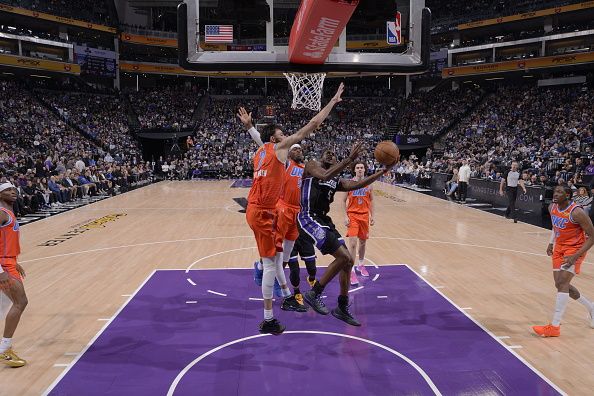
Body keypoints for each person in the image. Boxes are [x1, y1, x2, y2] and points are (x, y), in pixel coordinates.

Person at [237, 83, 344, 335]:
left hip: (262, 210)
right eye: (283, 135)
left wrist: (250, 127)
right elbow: (312, 125)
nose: (287, 137)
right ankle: (268, 318)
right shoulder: (280, 149)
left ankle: (285, 296)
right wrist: (331, 102)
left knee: (276, 260)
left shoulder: (261, 152)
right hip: (264, 212)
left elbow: (259, 140)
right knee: (271, 264)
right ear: (275, 140)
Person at [300, 145, 395, 326]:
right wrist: (349, 160)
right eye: (327, 151)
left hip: (324, 220)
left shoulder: (336, 181)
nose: (330, 153)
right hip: (308, 217)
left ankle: (342, 307)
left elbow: (359, 184)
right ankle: (314, 293)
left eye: (334, 154)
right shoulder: (312, 166)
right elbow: (324, 175)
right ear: (321, 157)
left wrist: (384, 170)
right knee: (344, 256)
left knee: (349, 262)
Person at [533, 185, 594, 337]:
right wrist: (551, 242)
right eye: (555, 191)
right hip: (560, 247)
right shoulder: (552, 207)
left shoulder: (577, 212)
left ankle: (555, 326)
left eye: (560, 192)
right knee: (560, 284)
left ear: (568, 195)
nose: (555, 194)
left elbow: (592, 236)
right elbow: (555, 226)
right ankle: (591, 307)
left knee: (562, 283)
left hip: (575, 249)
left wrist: (576, 255)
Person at [0, 182, 27, 367]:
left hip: (9, 262)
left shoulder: (8, 212)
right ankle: (4, 350)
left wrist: (14, 261)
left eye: (14, 189)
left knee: (17, 303)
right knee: (20, 302)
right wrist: (1, 270)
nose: (13, 192)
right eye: (8, 190)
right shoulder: (1, 212)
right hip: (3, 265)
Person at [343, 162, 374, 286]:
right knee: (353, 243)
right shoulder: (349, 183)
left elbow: (372, 201)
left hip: (365, 216)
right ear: (354, 170)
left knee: (363, 242)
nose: (360, 169)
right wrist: (345, 216)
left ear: (365, 170)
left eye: (362, 167)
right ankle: (350, 271)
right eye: (357, 168)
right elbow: (343, 200)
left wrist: (373, 216)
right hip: (352, 216)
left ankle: (361, 265)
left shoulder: (369, 184)